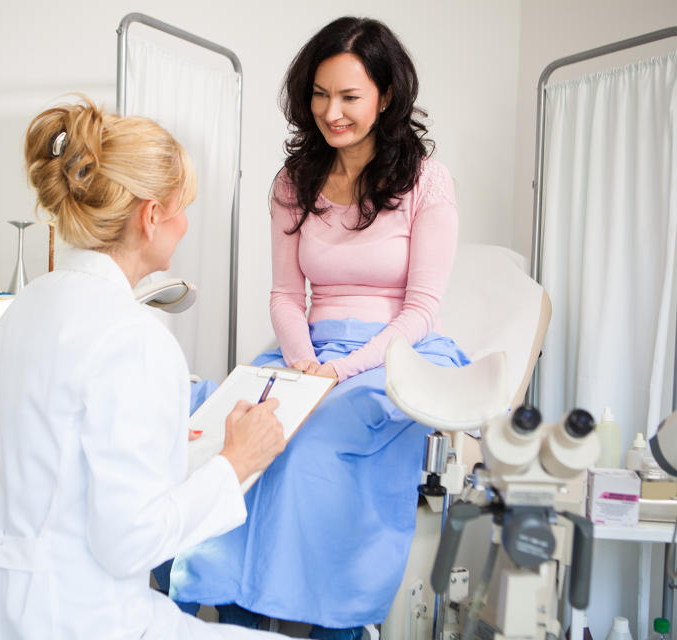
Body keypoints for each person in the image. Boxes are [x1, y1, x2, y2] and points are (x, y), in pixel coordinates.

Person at [0, 99, 289, 640]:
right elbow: (130, 542)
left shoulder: (23, 309)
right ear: (151, 216)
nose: (187, 223)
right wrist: (237, 462)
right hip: (84, 619)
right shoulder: (134, 337)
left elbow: (62, 465)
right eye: (182, 207)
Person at [170, 17, 469, 640]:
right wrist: (305, 362)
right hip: (305, 349)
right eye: (320, 94)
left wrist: (342, 370)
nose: (332, 111)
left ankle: (334, 622)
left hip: (397, 356)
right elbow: (284, 294)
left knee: (310, 447)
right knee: (238, 430)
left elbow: (422, 310)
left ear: (385, 96)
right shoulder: (294, 182)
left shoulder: (426, 182)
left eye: (350, 97)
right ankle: (231, 610)